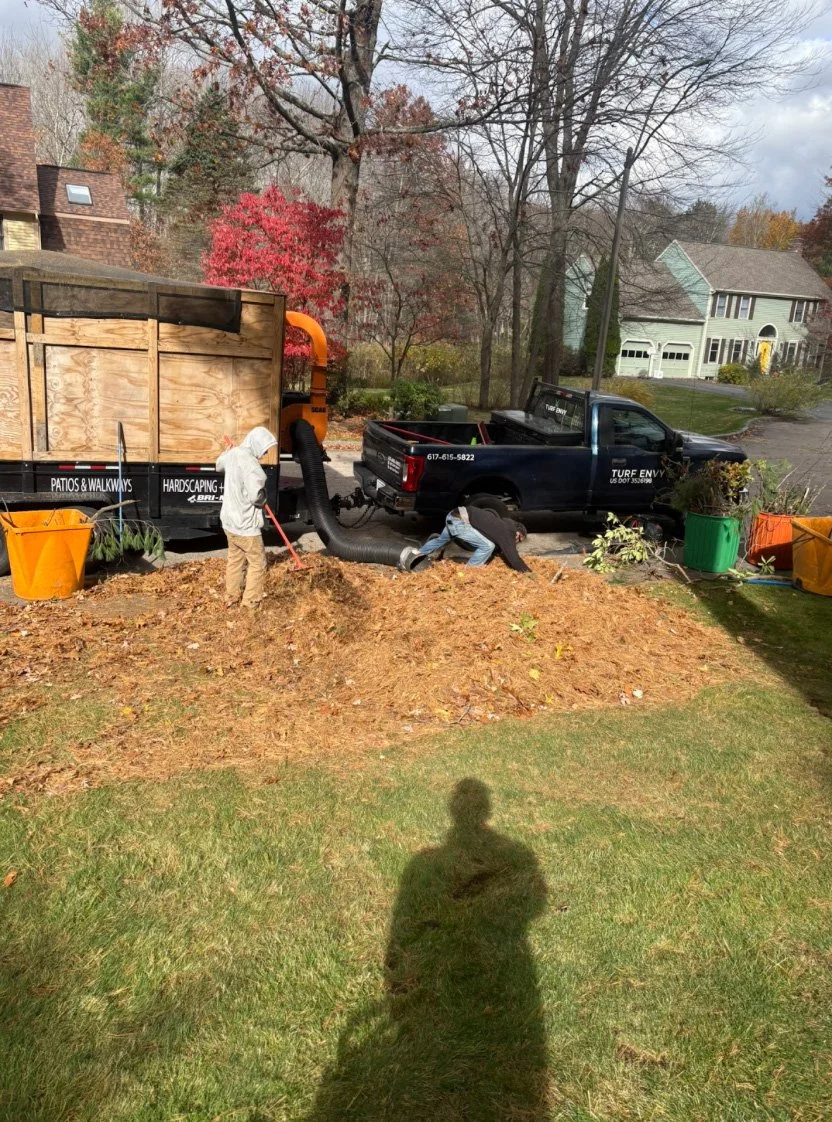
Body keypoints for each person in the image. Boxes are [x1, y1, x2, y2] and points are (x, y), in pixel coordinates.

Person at [216, 426, 278, 608]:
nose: (265, 454)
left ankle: (231, 597)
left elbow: (218, 465)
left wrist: (228, 451)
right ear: (256, 444)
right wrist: (263, 496)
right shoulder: (251, 465)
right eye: (264, 449)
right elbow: (256, 496)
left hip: (229, 522)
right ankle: (251, 601)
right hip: (246, 526)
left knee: (235, 561)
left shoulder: (233, 454)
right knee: (258, 563)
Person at [415, 505, 531, 572]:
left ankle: (417, 553)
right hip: (459, 521)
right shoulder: (508, 532)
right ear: (518, 533)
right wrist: (528, 572)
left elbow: (491, 538)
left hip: (453, 514)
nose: (517, 542)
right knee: (487, 546)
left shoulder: (501, 524)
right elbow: (514, 559)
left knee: (441, 540)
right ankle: (469, 572)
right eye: (519, 539)